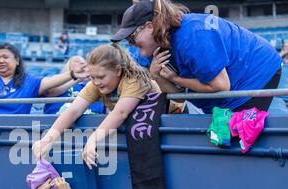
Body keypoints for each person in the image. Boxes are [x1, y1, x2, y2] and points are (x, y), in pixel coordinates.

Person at [111, 0, 283, 114]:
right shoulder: (154, 47)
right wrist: (156, 76)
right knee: (221, 135)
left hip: (256, 74)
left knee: (236, 136)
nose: (130, 43)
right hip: (227, 88)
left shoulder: (194, 35)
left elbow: (221, 85)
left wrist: (176, 78)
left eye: (131, 37)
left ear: (149, 26)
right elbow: (180, 96)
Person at [32, 43, 160, 168]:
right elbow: (73, 110)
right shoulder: (96, 84)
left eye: (101, 77)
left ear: (118, 70)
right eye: (92, 77)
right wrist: (48, 139)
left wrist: (93, 139)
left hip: (162, 128)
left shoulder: (135, 80)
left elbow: (120, 113)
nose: (96, 82)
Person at [0, 43, 88, 114]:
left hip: (13, 134)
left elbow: (50, 82)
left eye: (5, 57)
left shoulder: (29, 81)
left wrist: (72, 74)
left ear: (17, 60)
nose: (1, 60)